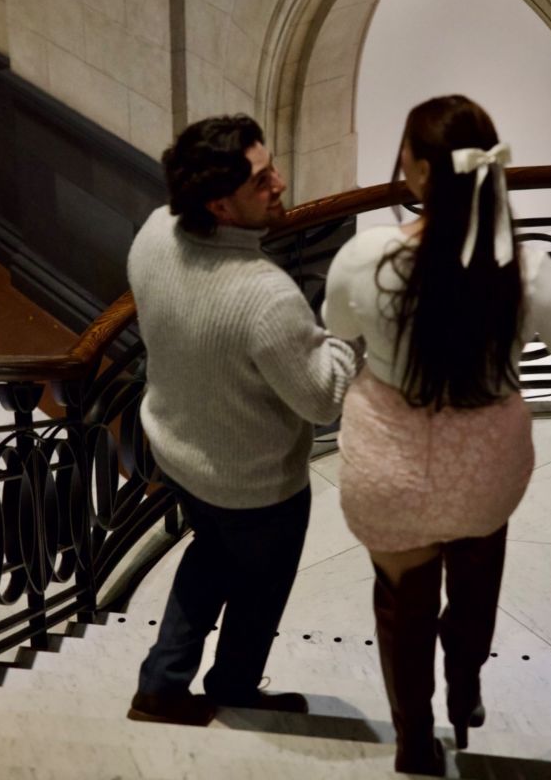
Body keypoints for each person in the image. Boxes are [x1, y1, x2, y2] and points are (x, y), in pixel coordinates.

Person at [322, 95, 551, 776]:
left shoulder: (366, 258)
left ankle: (414, 742)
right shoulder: (528, 274)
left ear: (420, 172)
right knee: (475, 587)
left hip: (389, 468)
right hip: (484, 471)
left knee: (403, 609)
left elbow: (338, 329)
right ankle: (465, 682)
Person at [126, 114, 361, 727]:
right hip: (257, 486)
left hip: (179, 452)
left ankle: (161, 685)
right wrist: (348, 328)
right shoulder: (264, 296)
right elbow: (323, 399)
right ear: (220, 206)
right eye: (261, 180)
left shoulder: (155, 231)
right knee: (258, 591)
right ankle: (233, 688)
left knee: (210, 554)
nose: (279, 183)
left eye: (270, 166)